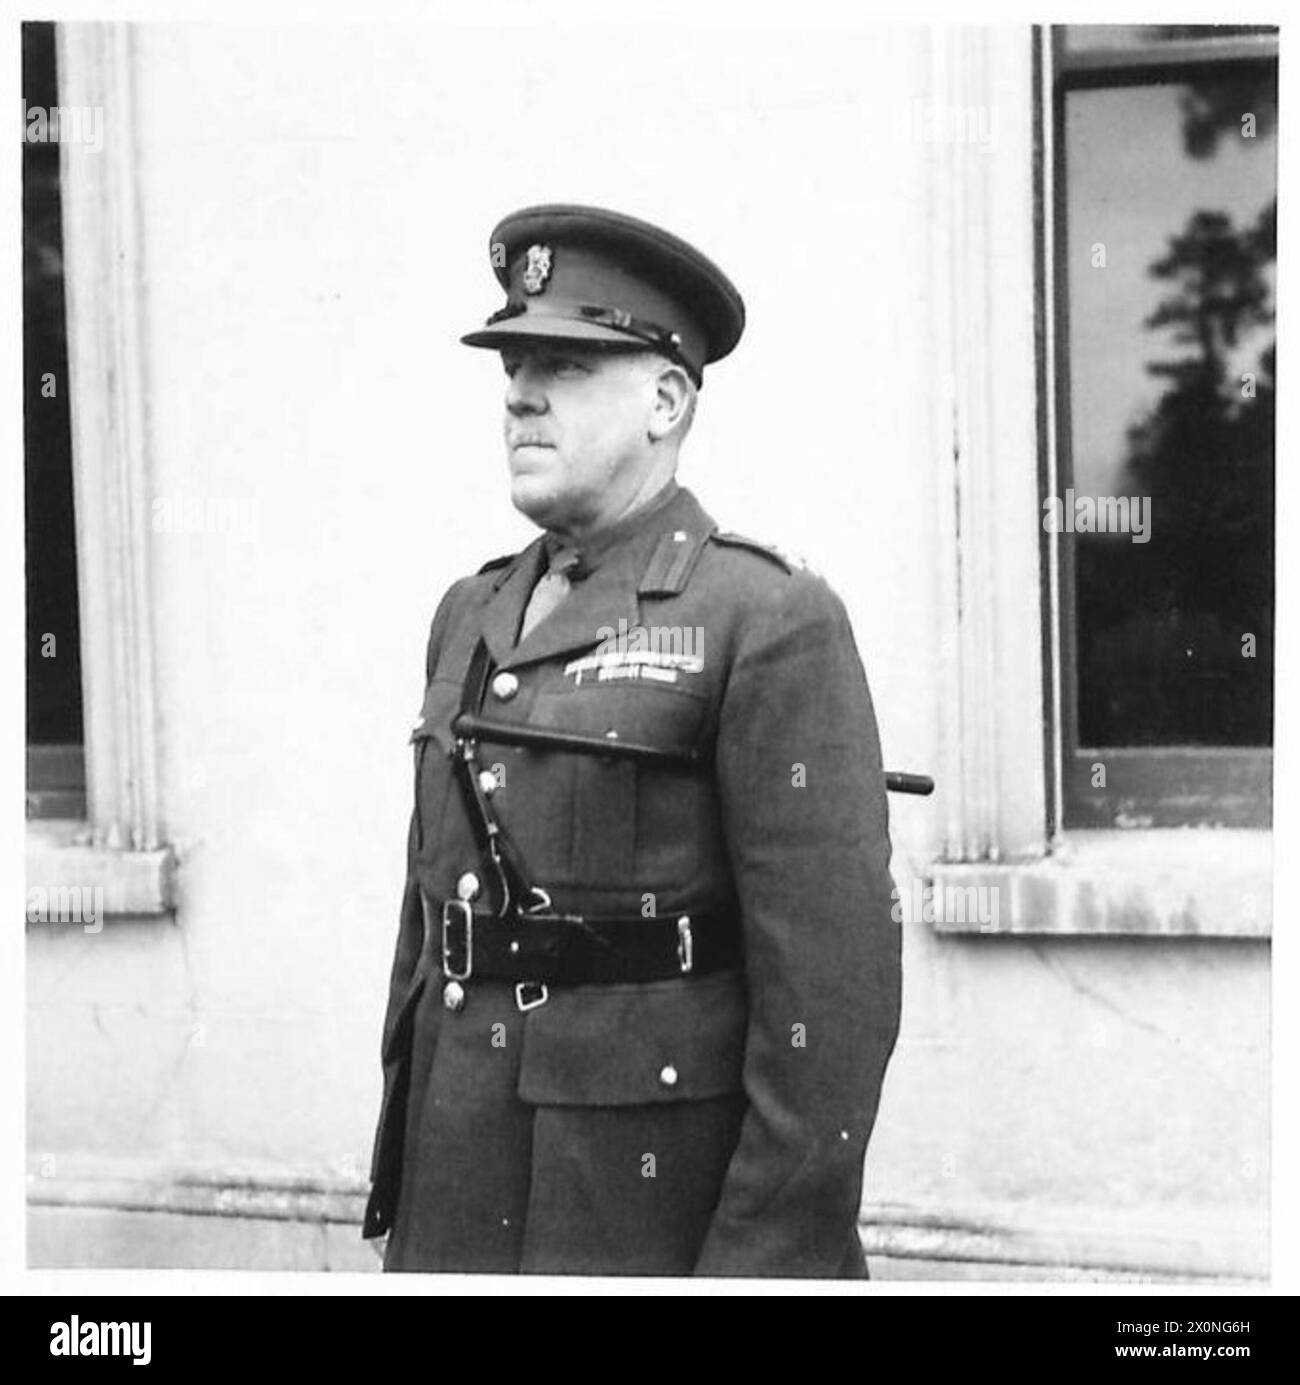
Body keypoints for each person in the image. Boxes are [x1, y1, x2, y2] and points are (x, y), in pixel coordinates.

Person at [363, 203, 901, 1276]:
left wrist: (758, 1264)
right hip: (458, 1198)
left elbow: (829, 1007)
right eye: (515, 364)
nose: (519, 393)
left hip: (636, 1216)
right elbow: (432, 934)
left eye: (564, 365)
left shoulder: (763, 617)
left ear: (666, 399)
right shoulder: (469, 612)